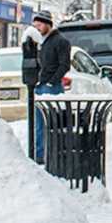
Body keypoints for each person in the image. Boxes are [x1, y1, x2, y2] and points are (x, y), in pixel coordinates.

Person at [32, 11, 70, 163]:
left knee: (51, 123)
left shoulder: (60, 41)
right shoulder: (42, 42)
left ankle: (51, 154)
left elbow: (64, 65)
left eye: (39, 25)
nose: (37, 28)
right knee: (39, 124)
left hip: (51, 87)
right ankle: (40, 154)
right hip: (41, 85)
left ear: (48, 24)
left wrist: (52, 81)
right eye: (35, 26)